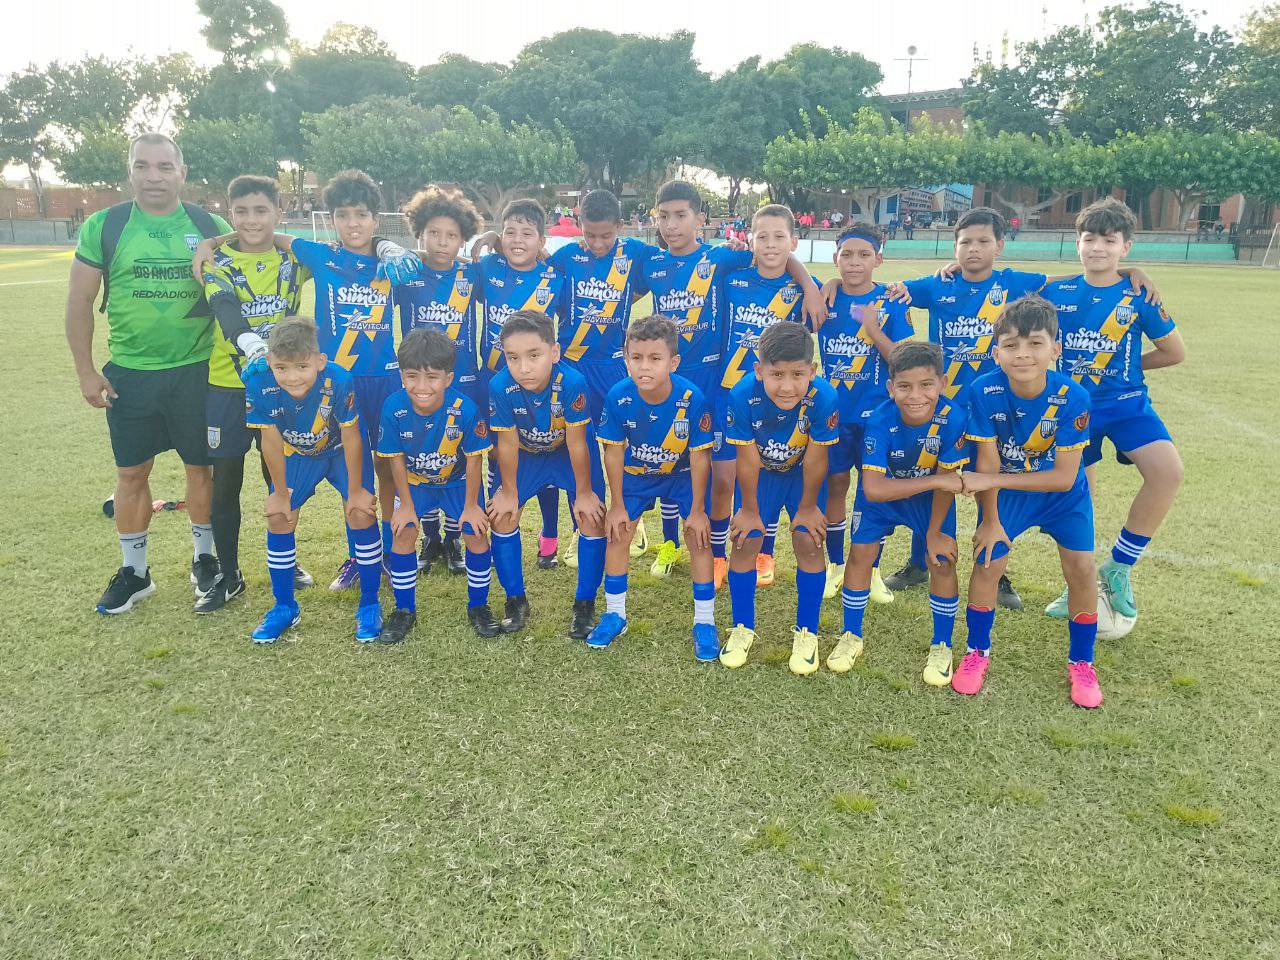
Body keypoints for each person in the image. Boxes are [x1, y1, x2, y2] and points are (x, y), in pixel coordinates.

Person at [192, 169, 423, 593]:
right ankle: (360, 558)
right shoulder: (318, 254)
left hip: (383, 380)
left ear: (376, 219)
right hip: (334, 382)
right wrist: (212, 243)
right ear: (331, 220)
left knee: (387, 466)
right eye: (342, 215)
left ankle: (391, 553)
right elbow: (271, 236)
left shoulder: (391, 261)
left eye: (362, 215)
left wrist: (389, 245)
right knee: (351, 473)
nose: (353, 224)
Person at [67, 133, 231, 614]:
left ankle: (205, 560)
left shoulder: (210, 225)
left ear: (182, 172)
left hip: (197, 372)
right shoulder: (106, 225)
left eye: (164, 166)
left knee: (200, 468)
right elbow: (79, 301)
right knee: (131, 471)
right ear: (130, 171)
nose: (153, 176)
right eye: (143, 166)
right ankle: (135, 572)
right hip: (131, 375)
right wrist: (85, 371)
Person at [638, 181, 825, 582]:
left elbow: (780, 255)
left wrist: (811, 285)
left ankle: (763, 551)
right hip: (693, 383)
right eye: (664, 216)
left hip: (760, 393)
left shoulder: (729, 263)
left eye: (681, 215)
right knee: (680, 465)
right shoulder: (720, 274)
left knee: (754, 472)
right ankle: (685, 545)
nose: (672, 224)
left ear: (700, 219)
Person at [1040, 197, 1185, 630]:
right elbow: (1004, 289)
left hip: (1126, 404)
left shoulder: (1139, 295)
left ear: (1126, 246)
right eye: (1089, 239)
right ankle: (1078, 584)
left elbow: (1174, 352)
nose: (1097, 247)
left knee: (1167, 472)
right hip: (1072, 409)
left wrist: (1128, 368)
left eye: (1109, 240)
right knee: (1078, 498)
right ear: (1077, 243)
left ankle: (1119, 566)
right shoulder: (1056, 292)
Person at [952, 295, 1103, 708]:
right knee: (988, 560)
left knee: (1082, 569)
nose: (1022, 354)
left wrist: (990, 479)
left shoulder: (1074, 396)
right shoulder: (983, 390)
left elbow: (1063, 477)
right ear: (996, 352)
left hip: (1062, 497)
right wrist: (989, 519)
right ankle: (976, 652)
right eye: (1011, 345)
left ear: (1055, 349)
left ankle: (1082, 662)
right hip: (1009, 495)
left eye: (1035, 343)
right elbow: (987, 460)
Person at [195, 174, 313, 613]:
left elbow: (340, 252)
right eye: (241, 211)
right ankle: (228, 574)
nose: (251, 220)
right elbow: (223, 305)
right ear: (230, 214)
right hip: (227, 385)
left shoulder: (293, 259)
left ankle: (286, 560)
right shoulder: (216, 261)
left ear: (278, 212)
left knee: (278, 478)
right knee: (226, 480)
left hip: (280, 388)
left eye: (261, 210)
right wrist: (249, 344)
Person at [242, 317, 384, 644]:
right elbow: (270, 440)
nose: (292, 377)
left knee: (360, 512)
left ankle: (369, 603)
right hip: (298, 455)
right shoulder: (259, 382)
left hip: (339, 451)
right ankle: (284, 606)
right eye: (282, 368)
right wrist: (279, 492)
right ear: (269, 362)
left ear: (320, 361)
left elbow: (352, 436)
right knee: (279, 516)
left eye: (302, 367)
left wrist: (356, 491)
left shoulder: (339, 379)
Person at [834, 342, 967, 683]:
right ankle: (851, 635)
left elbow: (946, 487)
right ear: (891, 387)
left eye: (926, 385)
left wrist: (934, 533)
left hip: (930, 500)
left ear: (943, 384)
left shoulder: (954, 419)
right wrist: (936, 479)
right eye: (905, 386)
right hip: (887, 495)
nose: (916, 396)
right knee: (860, 554)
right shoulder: (879, 419)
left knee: (942, 559)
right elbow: (874, 490)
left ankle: (942, 644)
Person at [589, 316, 719, 659]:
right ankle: (615, 614)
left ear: (673, 362)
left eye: (655, 358)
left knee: (698, 536)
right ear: (626, 357)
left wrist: (697, 511)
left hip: (682, 474)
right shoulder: (619, 396)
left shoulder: (692, 398)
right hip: (637, 474)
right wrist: (617, 505)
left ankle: (704, 621)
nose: (644, 367)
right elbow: (613, 452)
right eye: (636, 357)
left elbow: (701, 456)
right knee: (618, 533)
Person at [719, 323, 839, 676]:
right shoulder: (742, 395)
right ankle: (742, 627)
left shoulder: (825, 397)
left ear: (812, 371)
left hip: (801, 475)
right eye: (777, 375)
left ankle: (807, 632)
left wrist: (808, 507)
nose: (787, 386)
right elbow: (747, 459)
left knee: (808, 539)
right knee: (746, 540)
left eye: (797, 374)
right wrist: (749, 510)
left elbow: (817, 457)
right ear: (759, 370)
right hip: (762, 476)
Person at [486, 310, 608, 639]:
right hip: (527, 454)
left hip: (567, 453)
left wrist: (585, 493)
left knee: (592, 517)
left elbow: (577, 443)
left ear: (554, 353)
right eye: (513, 357)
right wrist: (509, 492)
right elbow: (507, 444)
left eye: (534, 355)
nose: (523, 367)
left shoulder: (573, 382)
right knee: (502, 515)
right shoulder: (499, 385)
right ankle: (515, 600)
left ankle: (585, 604)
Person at [717, 204, 819, 589]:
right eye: (763, 237)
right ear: (750, 240)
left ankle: (765, 553)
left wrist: (813, 286)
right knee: (726, 477)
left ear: (794, 241)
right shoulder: (732, 280)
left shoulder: (804, 290)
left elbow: (844, 308)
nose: (771, 244)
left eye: (780, 237)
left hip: (779, 400)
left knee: (768, 473)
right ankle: (718, 554)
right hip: (730, 394)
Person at [378, 328, 500, 643]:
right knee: (403, 531)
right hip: (416, 484)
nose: (421, 387)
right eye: (412, 376)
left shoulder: (466, 409)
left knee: (475, 531)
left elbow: (474, 460)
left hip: (457, 484)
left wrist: (471, 507)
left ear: (448, 378)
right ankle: (404, 610)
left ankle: (478, 606)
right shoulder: (393, 407)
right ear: (402, 376)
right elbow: (395, 460)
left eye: (432, 377)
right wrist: (405, 506)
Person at [817, 226, 915, 605]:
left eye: (864, 255)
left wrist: (873, 329)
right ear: (836, 258)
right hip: (834, 416)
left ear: (879, 259)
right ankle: (836, 565)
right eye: (847, 254)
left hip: (878, 418)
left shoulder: (891, 301)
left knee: (872, 494)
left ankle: (870, 570)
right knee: (835, 486)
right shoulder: (826, 298)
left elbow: (903, 362)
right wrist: (826, 284)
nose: (854, 262)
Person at [395, 183, 486, 577]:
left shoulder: (472, 274)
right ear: (421, 233)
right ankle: (430, 538)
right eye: (434, 233)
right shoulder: (407, 273)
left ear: (462, 239)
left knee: (456, 455)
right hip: (421, 385)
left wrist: (492, 238)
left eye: (451, 235)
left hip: (464, 380)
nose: (442, 242)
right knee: (422, 452)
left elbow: (505, 267)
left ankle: (452, 538)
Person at [476, 198, 570, 571]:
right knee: (495, 454)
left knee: (543, 450)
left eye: (527, 234)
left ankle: (550, 536)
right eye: (510, 232)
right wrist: (489, 237)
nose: (517, 240)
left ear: (541, 240)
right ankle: (491, 530)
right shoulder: (487, 268)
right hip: (492, 379)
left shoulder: (554, 278)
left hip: (539, 385)